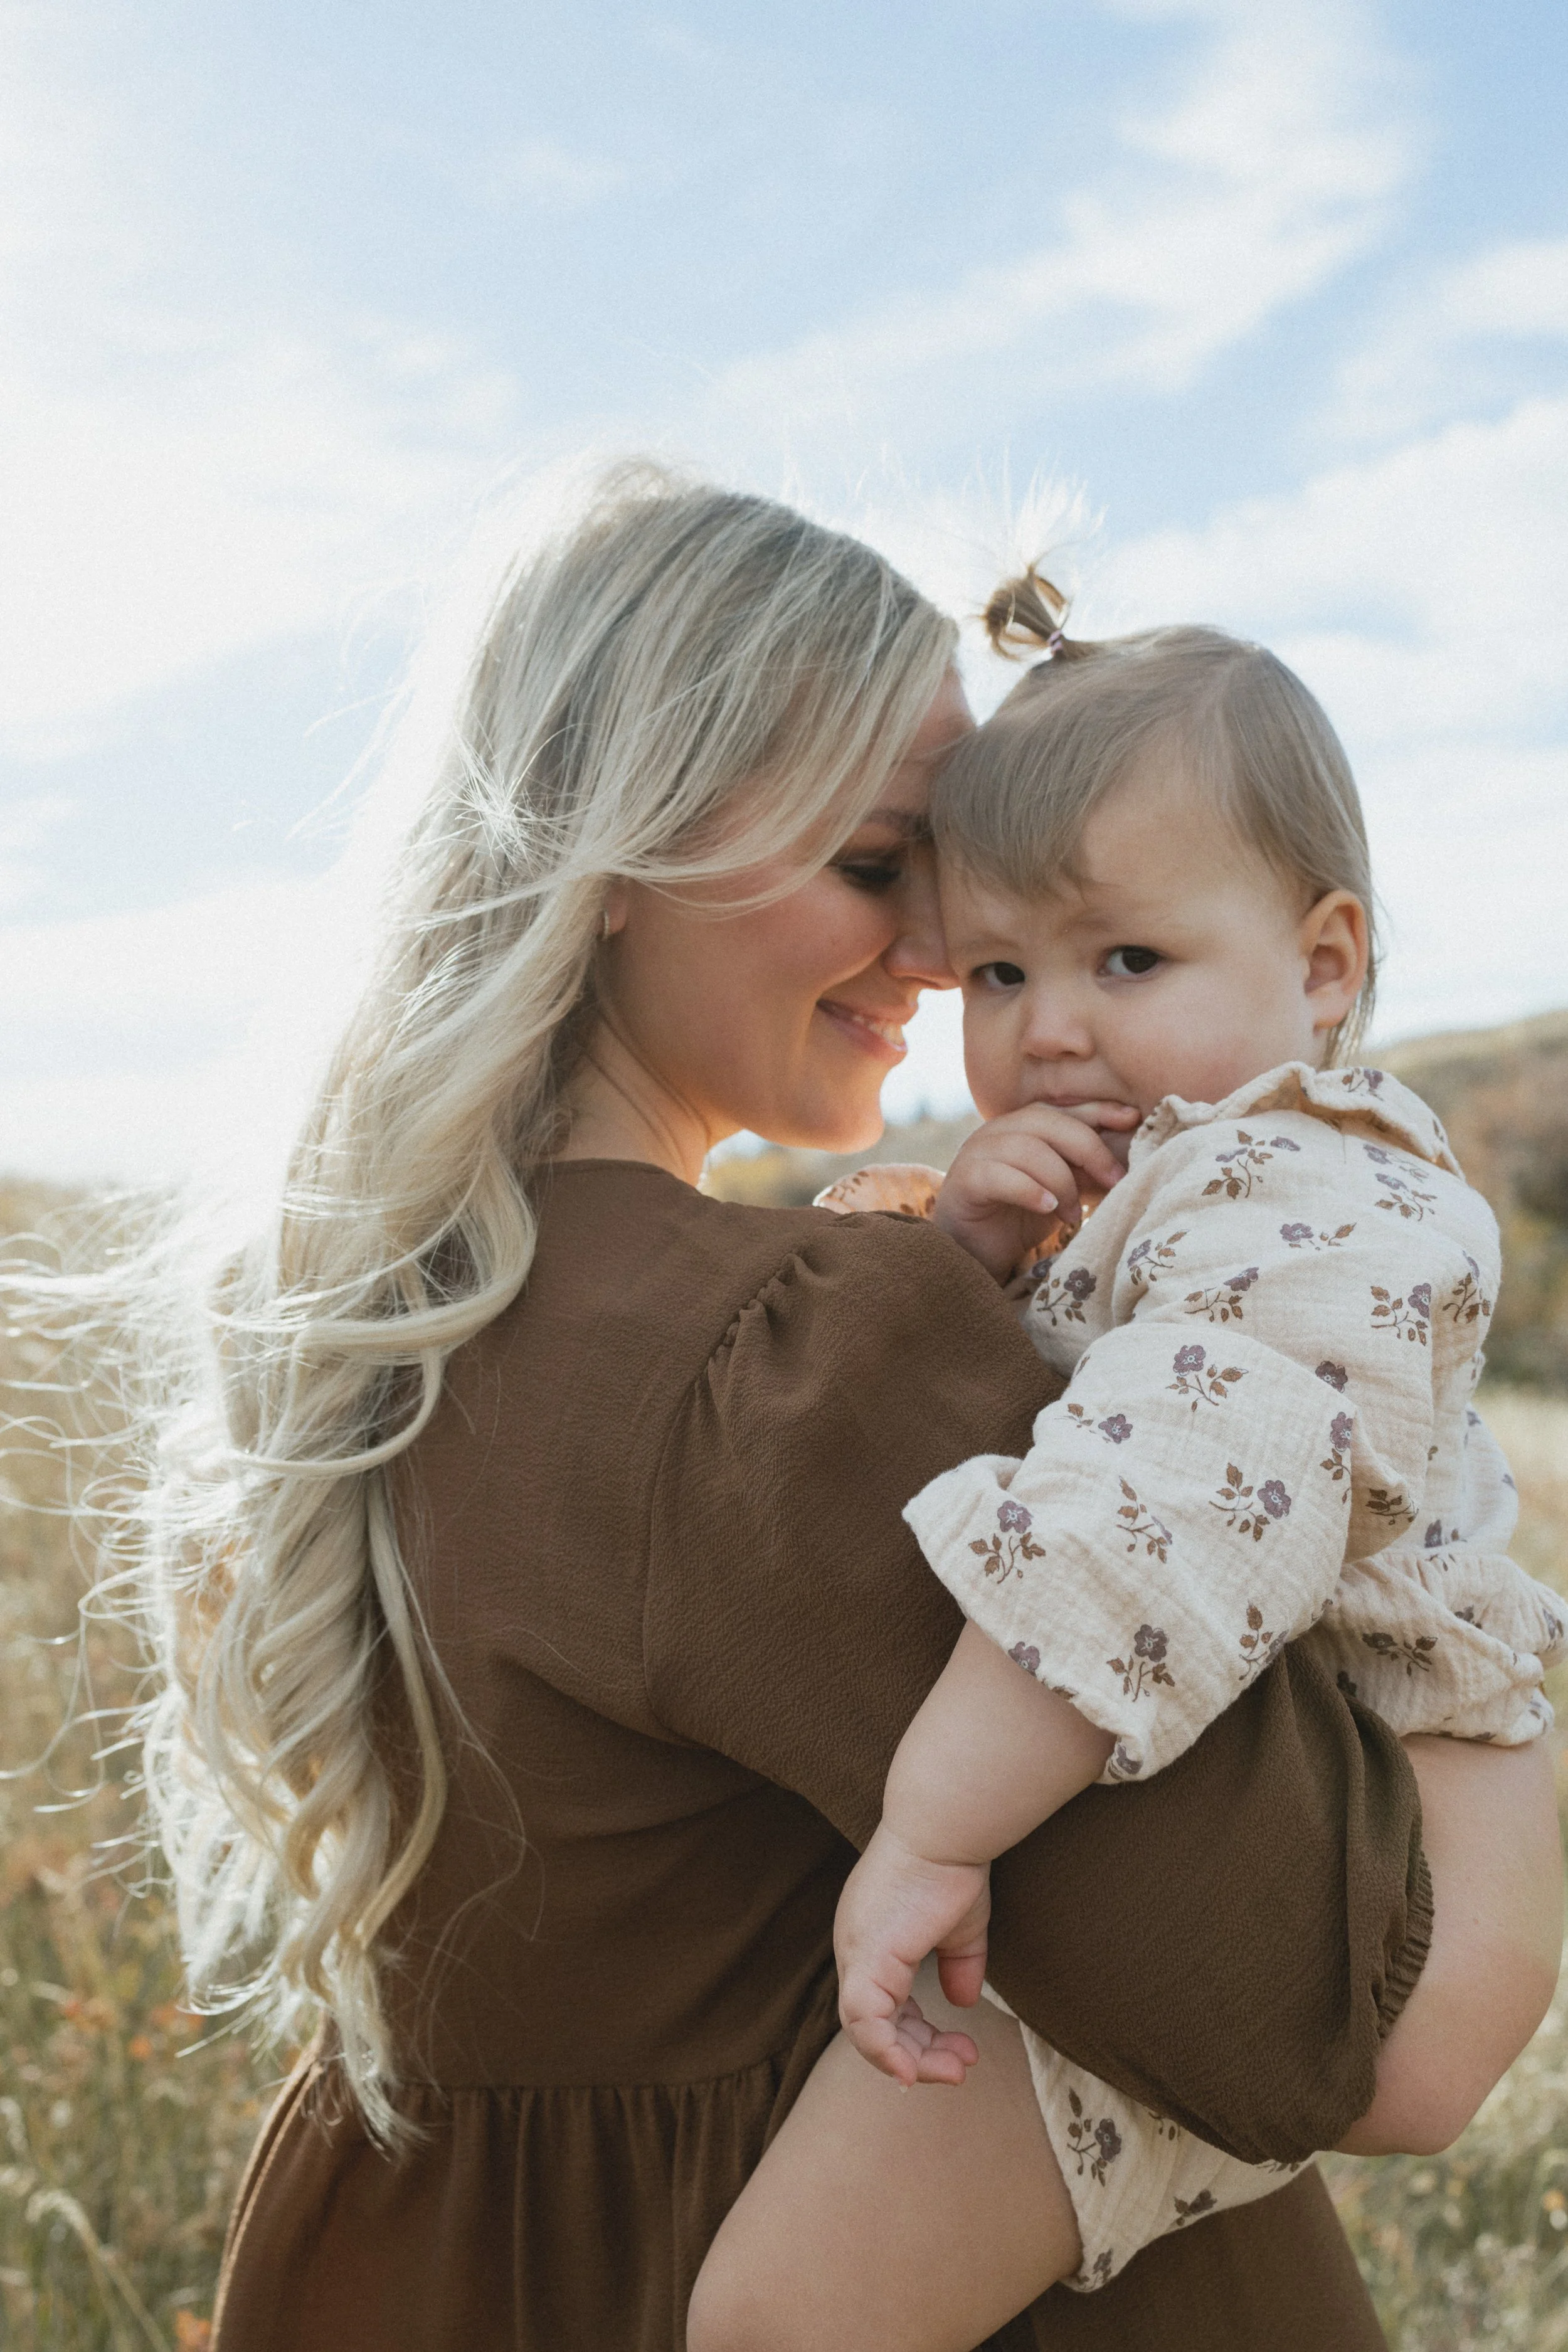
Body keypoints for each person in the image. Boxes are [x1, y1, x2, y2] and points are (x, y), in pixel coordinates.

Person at [102, 469, 1555, 2352]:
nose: (948, 959)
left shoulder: (403, 1326)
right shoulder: (778, 1368)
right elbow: (1392, 2035)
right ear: (619, 853)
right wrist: (1499, 1705)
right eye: (886, 871)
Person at [760, 571, 1565, 2306]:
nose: (1047, 1023)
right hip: (1223, 1804)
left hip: (1372, 1827)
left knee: (778, 2314)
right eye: (995, 968)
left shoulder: (1307, 1186)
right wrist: (962, 1262)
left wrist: (933, 1832)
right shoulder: (1131, 1186)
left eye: (1124, 956)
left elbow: (1157, 1514)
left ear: (1322, 964)